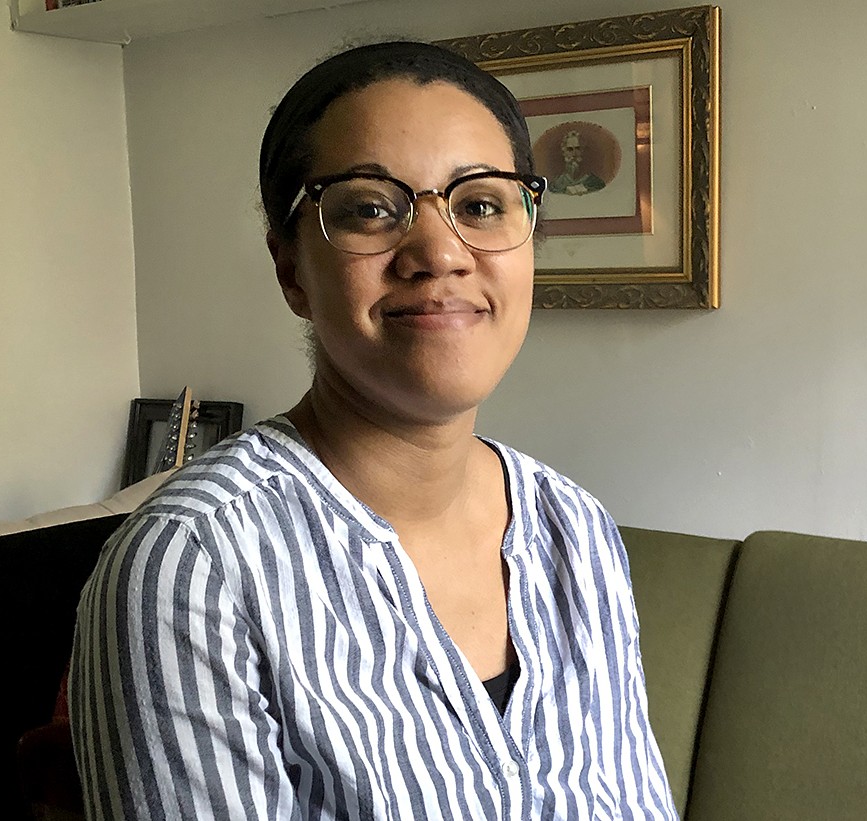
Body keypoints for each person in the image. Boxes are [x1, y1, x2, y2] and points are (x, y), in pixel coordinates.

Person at [70, 41, 677, 820]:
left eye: (481, 204)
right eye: (368, 207)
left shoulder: (576, 531)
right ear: (291, 269)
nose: (437, 251)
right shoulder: (197, 568)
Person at [548, 129, 606, 195]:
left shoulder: (595, 182)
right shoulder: (557, 184)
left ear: (582, 151)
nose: (574, 153)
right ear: (564, 152)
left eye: (577, 148)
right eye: (570, 149)